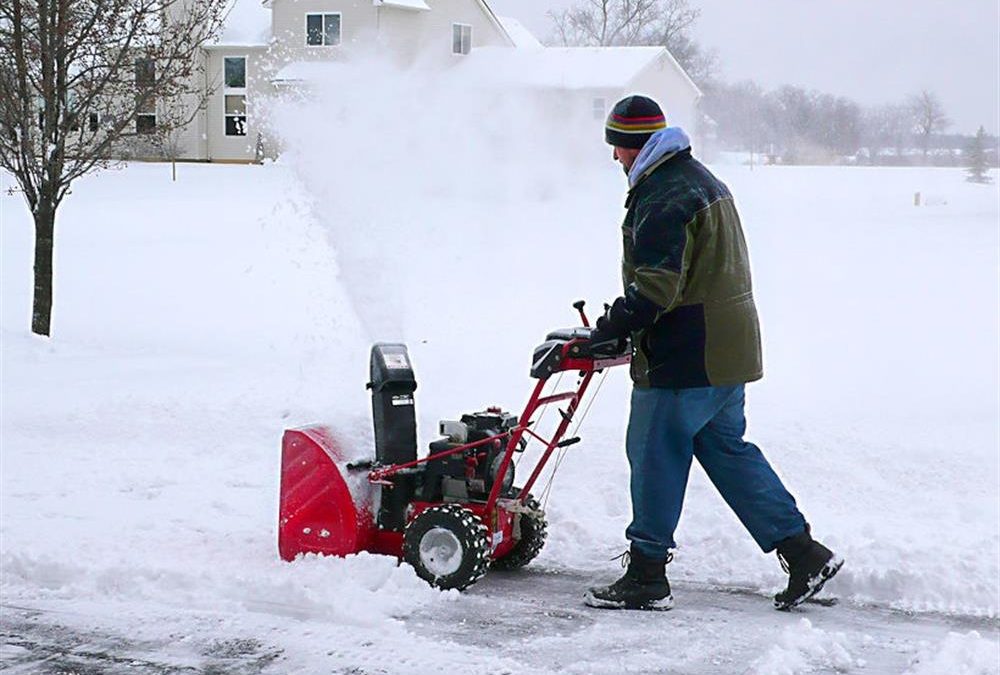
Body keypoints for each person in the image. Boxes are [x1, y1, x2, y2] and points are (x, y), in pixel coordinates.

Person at [583, 95, 843, 612]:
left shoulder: (663, 196)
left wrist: (612, 326)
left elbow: (657, 287)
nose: (614, 158)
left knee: (655, 452)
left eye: (616, 147)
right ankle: (804, 551)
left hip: (686, 357)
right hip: (728, 354)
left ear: (634, 146)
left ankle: (647, 575)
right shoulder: (700, 179)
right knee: (728, 453)